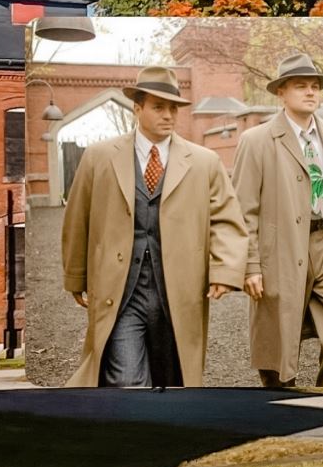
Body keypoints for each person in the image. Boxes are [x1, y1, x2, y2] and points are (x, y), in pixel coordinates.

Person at [62, 66, 248, 388]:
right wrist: (76, 276)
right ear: (137, 108)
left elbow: (227, 219)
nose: (168, 115)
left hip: (179, 289)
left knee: (174, 377)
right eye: (158, 107)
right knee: (126, 380)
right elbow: (78, 220)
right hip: (120, 292)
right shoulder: (99, 158)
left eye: (173, 108)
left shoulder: (204, 162)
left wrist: (224, 272)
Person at [231, 53, 323, 387]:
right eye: (300, 86)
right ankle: (280, 404)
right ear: (281, 93)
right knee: (276, 340)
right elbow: (243, 210)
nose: (310, 92)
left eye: (315, 86)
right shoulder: (257, 140)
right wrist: (250, 266)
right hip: (280, 248)